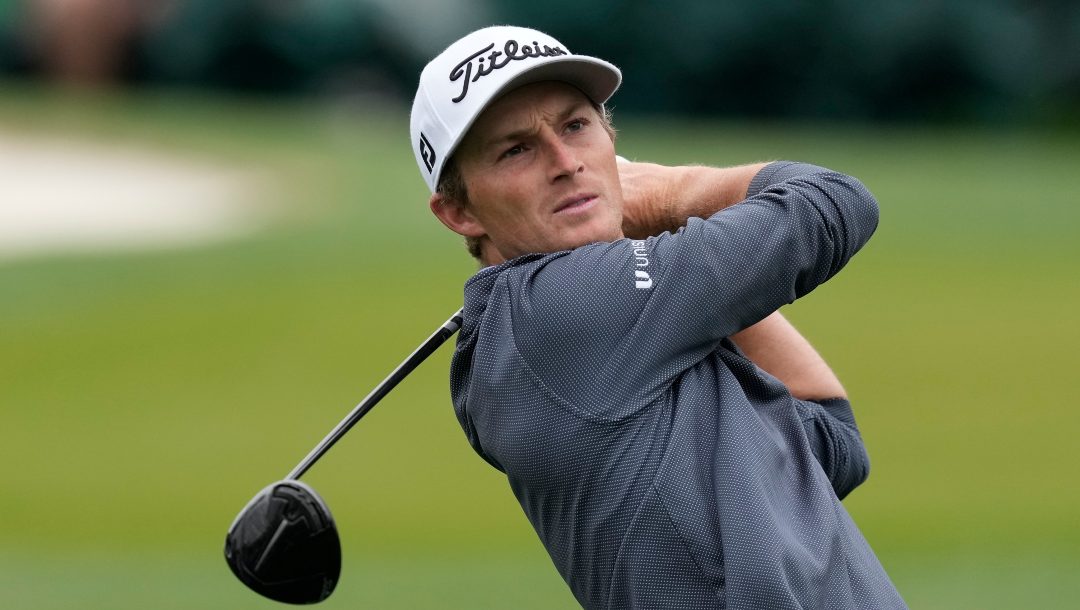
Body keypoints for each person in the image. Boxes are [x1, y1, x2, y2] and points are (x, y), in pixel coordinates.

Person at [410, 25, 906, 609]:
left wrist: (704, 284)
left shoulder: (618, 328)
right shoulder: (557, 309)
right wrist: (671, 195)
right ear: (460, 212)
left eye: (575, 125)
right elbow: (832, 204)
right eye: (516, 149)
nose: (567, 163)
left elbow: (830, 443)